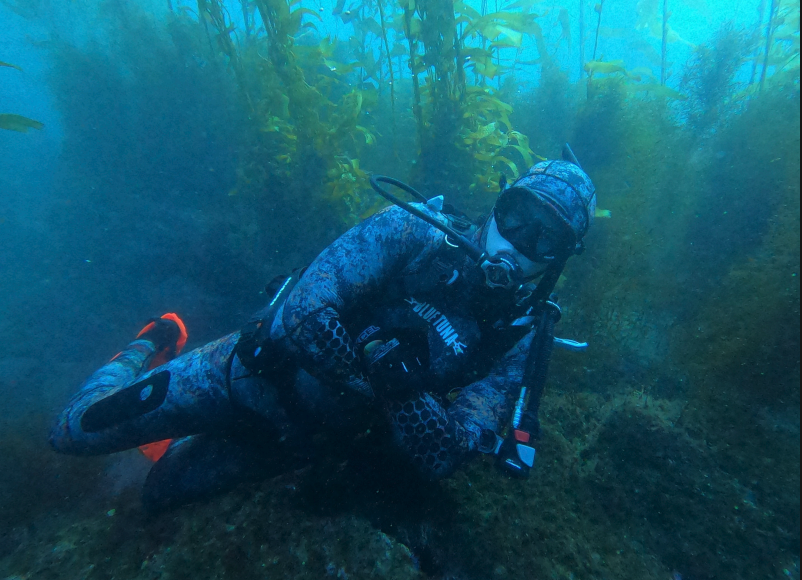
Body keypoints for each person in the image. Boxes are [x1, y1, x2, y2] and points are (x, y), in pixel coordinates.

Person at [50, 154, 597, 512]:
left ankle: (173, 441)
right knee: (71, 431)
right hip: (242, 373)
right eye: (515, 216)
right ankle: (151, 342)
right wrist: (384, 377)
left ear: (560, 261)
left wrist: (398, 386)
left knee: (158, 495)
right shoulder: (414, 229)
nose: (517, 242)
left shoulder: (519, 340)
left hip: (295, 442)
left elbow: (444, 455)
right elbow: (305, 313)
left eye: (544, 240)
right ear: (497, 204)